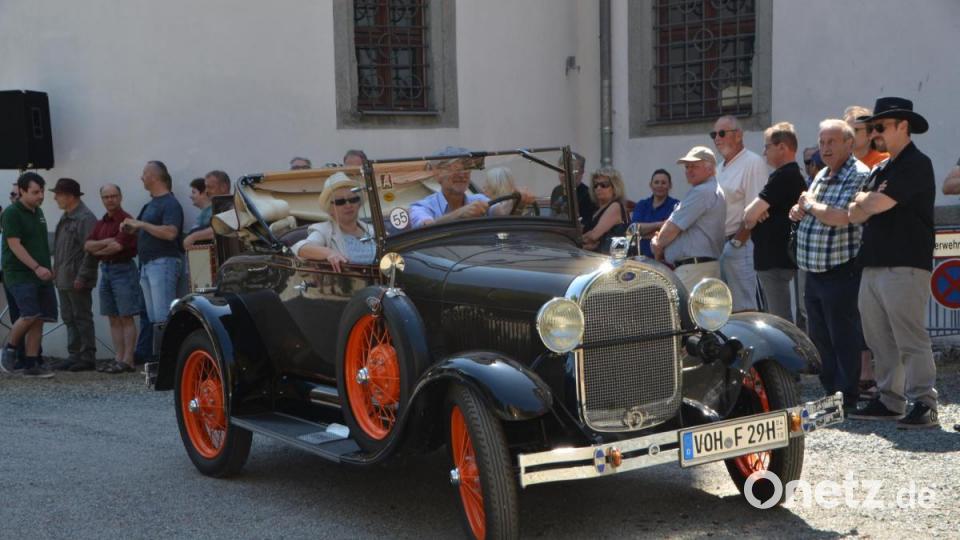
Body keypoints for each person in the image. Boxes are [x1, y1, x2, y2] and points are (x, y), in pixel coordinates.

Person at [848, 97, 938, 429]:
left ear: (903, 125)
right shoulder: (881, 168)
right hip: (873, 264)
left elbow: (876, 204)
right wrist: (866, 200)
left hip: (905, 264)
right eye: (872, 127)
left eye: (881, 127)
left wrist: (866, 200)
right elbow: (854, 213)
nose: (874, 133)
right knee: (878, 339)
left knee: (909, 337)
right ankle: (890, 400)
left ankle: (924, 402)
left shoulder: (916, 162)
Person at [789, 119, 870, 411]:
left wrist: (809, 205)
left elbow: (842, 216)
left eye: (832, 142)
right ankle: (831, 392)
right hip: (813, 270)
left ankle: (847, 395)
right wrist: (798, 209)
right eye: (822, 142)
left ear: (849, 143)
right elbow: (808, 206)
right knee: (819, 337)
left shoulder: (859, 174)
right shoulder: (822, 173)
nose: (825, 148)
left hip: (840, 269)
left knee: (843, 336)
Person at [742, 122, 807, 322]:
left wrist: (757, 213)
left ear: (782, 147)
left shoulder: (784, 175)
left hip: (776, 261)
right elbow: (751, 216)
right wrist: (757, 212)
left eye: (767, 146)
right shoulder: (789, 175)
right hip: (777, 259)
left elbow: (748, 216)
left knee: (780, 321)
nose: (764, 152)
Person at [0, 172, 56, 378]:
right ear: (22, 191)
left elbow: (39, 243)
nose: (40, 196)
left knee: (39, 318)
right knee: (29, 314)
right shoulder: (11, 213)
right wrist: (36, 267)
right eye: (35, 192)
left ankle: (32, 364)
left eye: (41, 191)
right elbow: (15, 245)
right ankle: (9, 349)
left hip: (40, 274)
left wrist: (48, 268)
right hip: (20, 274)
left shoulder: (38, 211)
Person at [712, 115, 769, 311]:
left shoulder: (752, 162)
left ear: (738, 135)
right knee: (727, 312)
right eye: (713, 134)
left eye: (721, 133)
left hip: (742, 246)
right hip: (720, 247)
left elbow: (757, 211)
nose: (717, 139)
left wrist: (736, 243)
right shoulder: (719, 169)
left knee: (747, 310)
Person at [651, 146, 726, 291]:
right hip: (699, 268)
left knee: (676, 306)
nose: (689, 170)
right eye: (687, 167)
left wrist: (658, 244)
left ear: (710, 169)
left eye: (694, 166)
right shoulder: (710, 189)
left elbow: (672, 228)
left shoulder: (702, 191)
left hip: (693, 270)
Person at [85, 184, 142, 374]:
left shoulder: (127, 221)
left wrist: (98, 250)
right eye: (106, 197)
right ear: (102, 199)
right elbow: (87, 245)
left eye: (114, 196)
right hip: (107, 270)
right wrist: (107, 242)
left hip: (123, 269)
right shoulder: (101, 222)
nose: (110, 200)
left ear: (120, 197)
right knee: (113, 317)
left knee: (126, 316)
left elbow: (117, 247)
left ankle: (128, 360)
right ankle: (118, 358)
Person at [122, 161, 184, 328]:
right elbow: (145, 230)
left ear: (154, 177)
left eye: (144, 174)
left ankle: (168, 346)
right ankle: (159, 346)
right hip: (147, 265)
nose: (141, 177)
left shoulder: (170, 203)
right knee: (155, 320)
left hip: (163, 263)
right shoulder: (150, 205)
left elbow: (170, 233)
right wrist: (131, 228)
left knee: (164, 318)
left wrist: (142, 224)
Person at [49, 178, 99, 371]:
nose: (55, 198)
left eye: (58, 194)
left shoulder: (85, 218)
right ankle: (74, 355)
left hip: (76, 278)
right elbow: (62, 248)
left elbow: (91, 251)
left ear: (70, 196)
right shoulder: (67, 216)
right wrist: (56, 269)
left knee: (81, 317)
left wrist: (82, 276)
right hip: (65, 277)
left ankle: (87, 357)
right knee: (69, 318)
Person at [291, 173, 375, 272]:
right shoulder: (324, 230)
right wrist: (329, 253)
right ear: (329, 208)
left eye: (353, 199)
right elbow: (300, 248)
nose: (348, 205)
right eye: (340, 202)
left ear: (359, 203)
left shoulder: (372, 230)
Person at [630, 169, 679, 258]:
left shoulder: (676, 206)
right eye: (656, 182)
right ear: (651, 185)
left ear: (670, 185)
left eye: (663, 183)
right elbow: (634, 229)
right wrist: (660, 224)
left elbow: (672, 235)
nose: (660, 185)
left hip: (663, 259)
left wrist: (643, 234)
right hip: (640, 257)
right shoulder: (642, 204)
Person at [582, 168, 628, 252]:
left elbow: (594, 235)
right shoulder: (596, 209)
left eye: (604, 185)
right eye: (595, 185)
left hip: (611, 257)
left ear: (615, 187)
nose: (598, 188)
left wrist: (578, 240)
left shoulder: (615, 206)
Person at [183, 170, 231, 249]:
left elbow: (222, 228)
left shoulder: (232, 205)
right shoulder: (217, 206)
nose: (206, 191)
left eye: (210, 187)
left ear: (223, 187)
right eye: (206, 187)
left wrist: (193, 237)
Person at [549, 152, 596, 230]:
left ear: (581, 172)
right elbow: (552, 217)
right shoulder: (557, 190)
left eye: (569, 171)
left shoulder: (588, 194)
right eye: (561, 171)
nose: (563, 175)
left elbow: (585, 225)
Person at [844, 105, 889, 170]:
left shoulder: (883, 160)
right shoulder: (840, 161)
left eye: (855, 130)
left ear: (870, 134)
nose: (849, 134)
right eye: (847, 130)